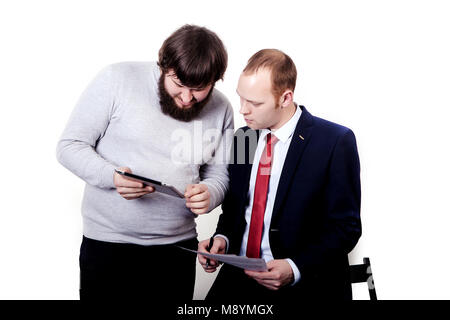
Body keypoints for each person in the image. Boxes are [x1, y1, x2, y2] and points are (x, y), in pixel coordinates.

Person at [56, 25, 234, 300]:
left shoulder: (222, 108)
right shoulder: (116, 79)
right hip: (108, 245)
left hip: (178, 249)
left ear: (216, 80)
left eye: (199, 89)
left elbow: (219, 175)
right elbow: (69, 146)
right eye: (178, 84)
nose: (187, 99)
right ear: (163, 65)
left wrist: (210, 194)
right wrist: (112, 177)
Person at [198, 49, 361, 301]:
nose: (243, 110)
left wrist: (295, 267)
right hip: (239, 275)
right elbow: (234, 209)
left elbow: (346, 228)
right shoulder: (244, 137)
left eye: (255, 103)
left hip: (303, 282)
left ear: (285, 98)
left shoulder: (335, 141)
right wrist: (222, 240)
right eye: (241, 99)